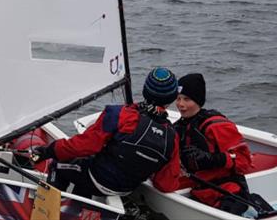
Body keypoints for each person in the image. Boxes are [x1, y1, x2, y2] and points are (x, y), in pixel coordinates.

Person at [31, 67, 182, 198]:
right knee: (85, 170)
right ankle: (82, 211)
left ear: (145, 91)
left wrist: (48, 151)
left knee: (58, 164)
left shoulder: (120, 114)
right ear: (172, 98)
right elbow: (165, 184)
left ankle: (46, 214)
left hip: (100, 180)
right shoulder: (172, 136)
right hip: (127, 190)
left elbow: (82, 147)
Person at [174, 73, 253, 215]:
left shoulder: (216, 125)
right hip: (201, 192)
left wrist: (212, 159)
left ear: (198, 101)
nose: (180, 104)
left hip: (230, 192)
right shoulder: (178, 128)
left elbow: (245, 160)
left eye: (187, 99)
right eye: (178, 98)